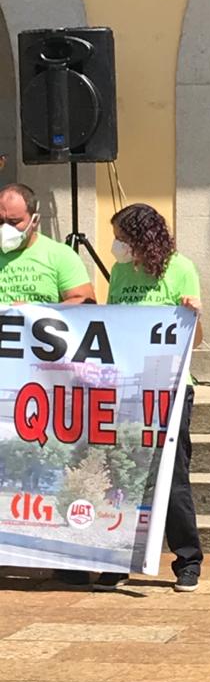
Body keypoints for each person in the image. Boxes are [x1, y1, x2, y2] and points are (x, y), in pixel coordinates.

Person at [92, 203, 204, 592]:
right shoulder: (121, 271)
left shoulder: (181, 268)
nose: (117, 246)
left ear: (143, 238)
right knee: (122, 471)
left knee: (172, 475)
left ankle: (188, 560)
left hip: (169, 385)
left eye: (122, 238)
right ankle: (118, 558)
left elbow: (195, 340)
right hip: (127, 385)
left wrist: (194, 314)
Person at [0, 182, 96, 587]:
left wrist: (36, 311)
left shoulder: (60, 256)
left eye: (14, 221)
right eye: (0, 221)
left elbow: (85, 302)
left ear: (34, 219)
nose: (6, 228)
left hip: (46, 387)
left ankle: (65, 555)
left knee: (53, 466)